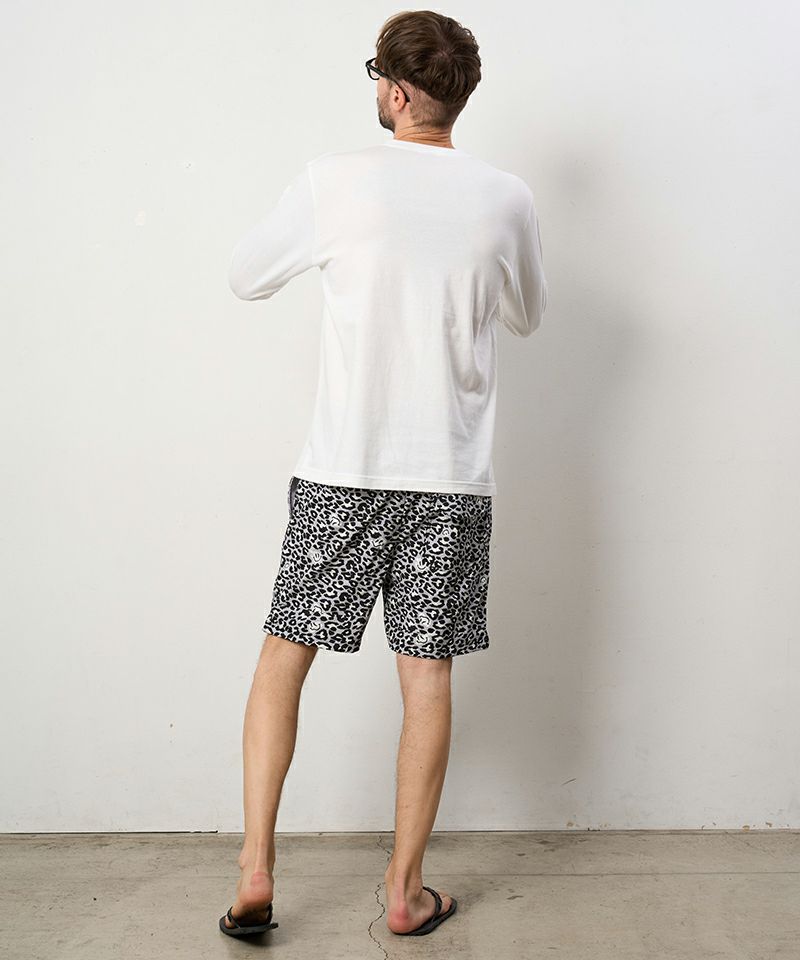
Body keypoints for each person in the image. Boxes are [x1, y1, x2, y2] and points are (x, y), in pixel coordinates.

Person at [219, 9, 547, 940]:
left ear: (397, 91)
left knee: (285, 656)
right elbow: (528, 313)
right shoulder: (506, 197)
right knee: (427, 678)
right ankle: (404, 894)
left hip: (343, 471)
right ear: (457, 95)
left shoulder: (334, 180)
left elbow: (246, 276)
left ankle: (255, 871)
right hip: (450, 480)